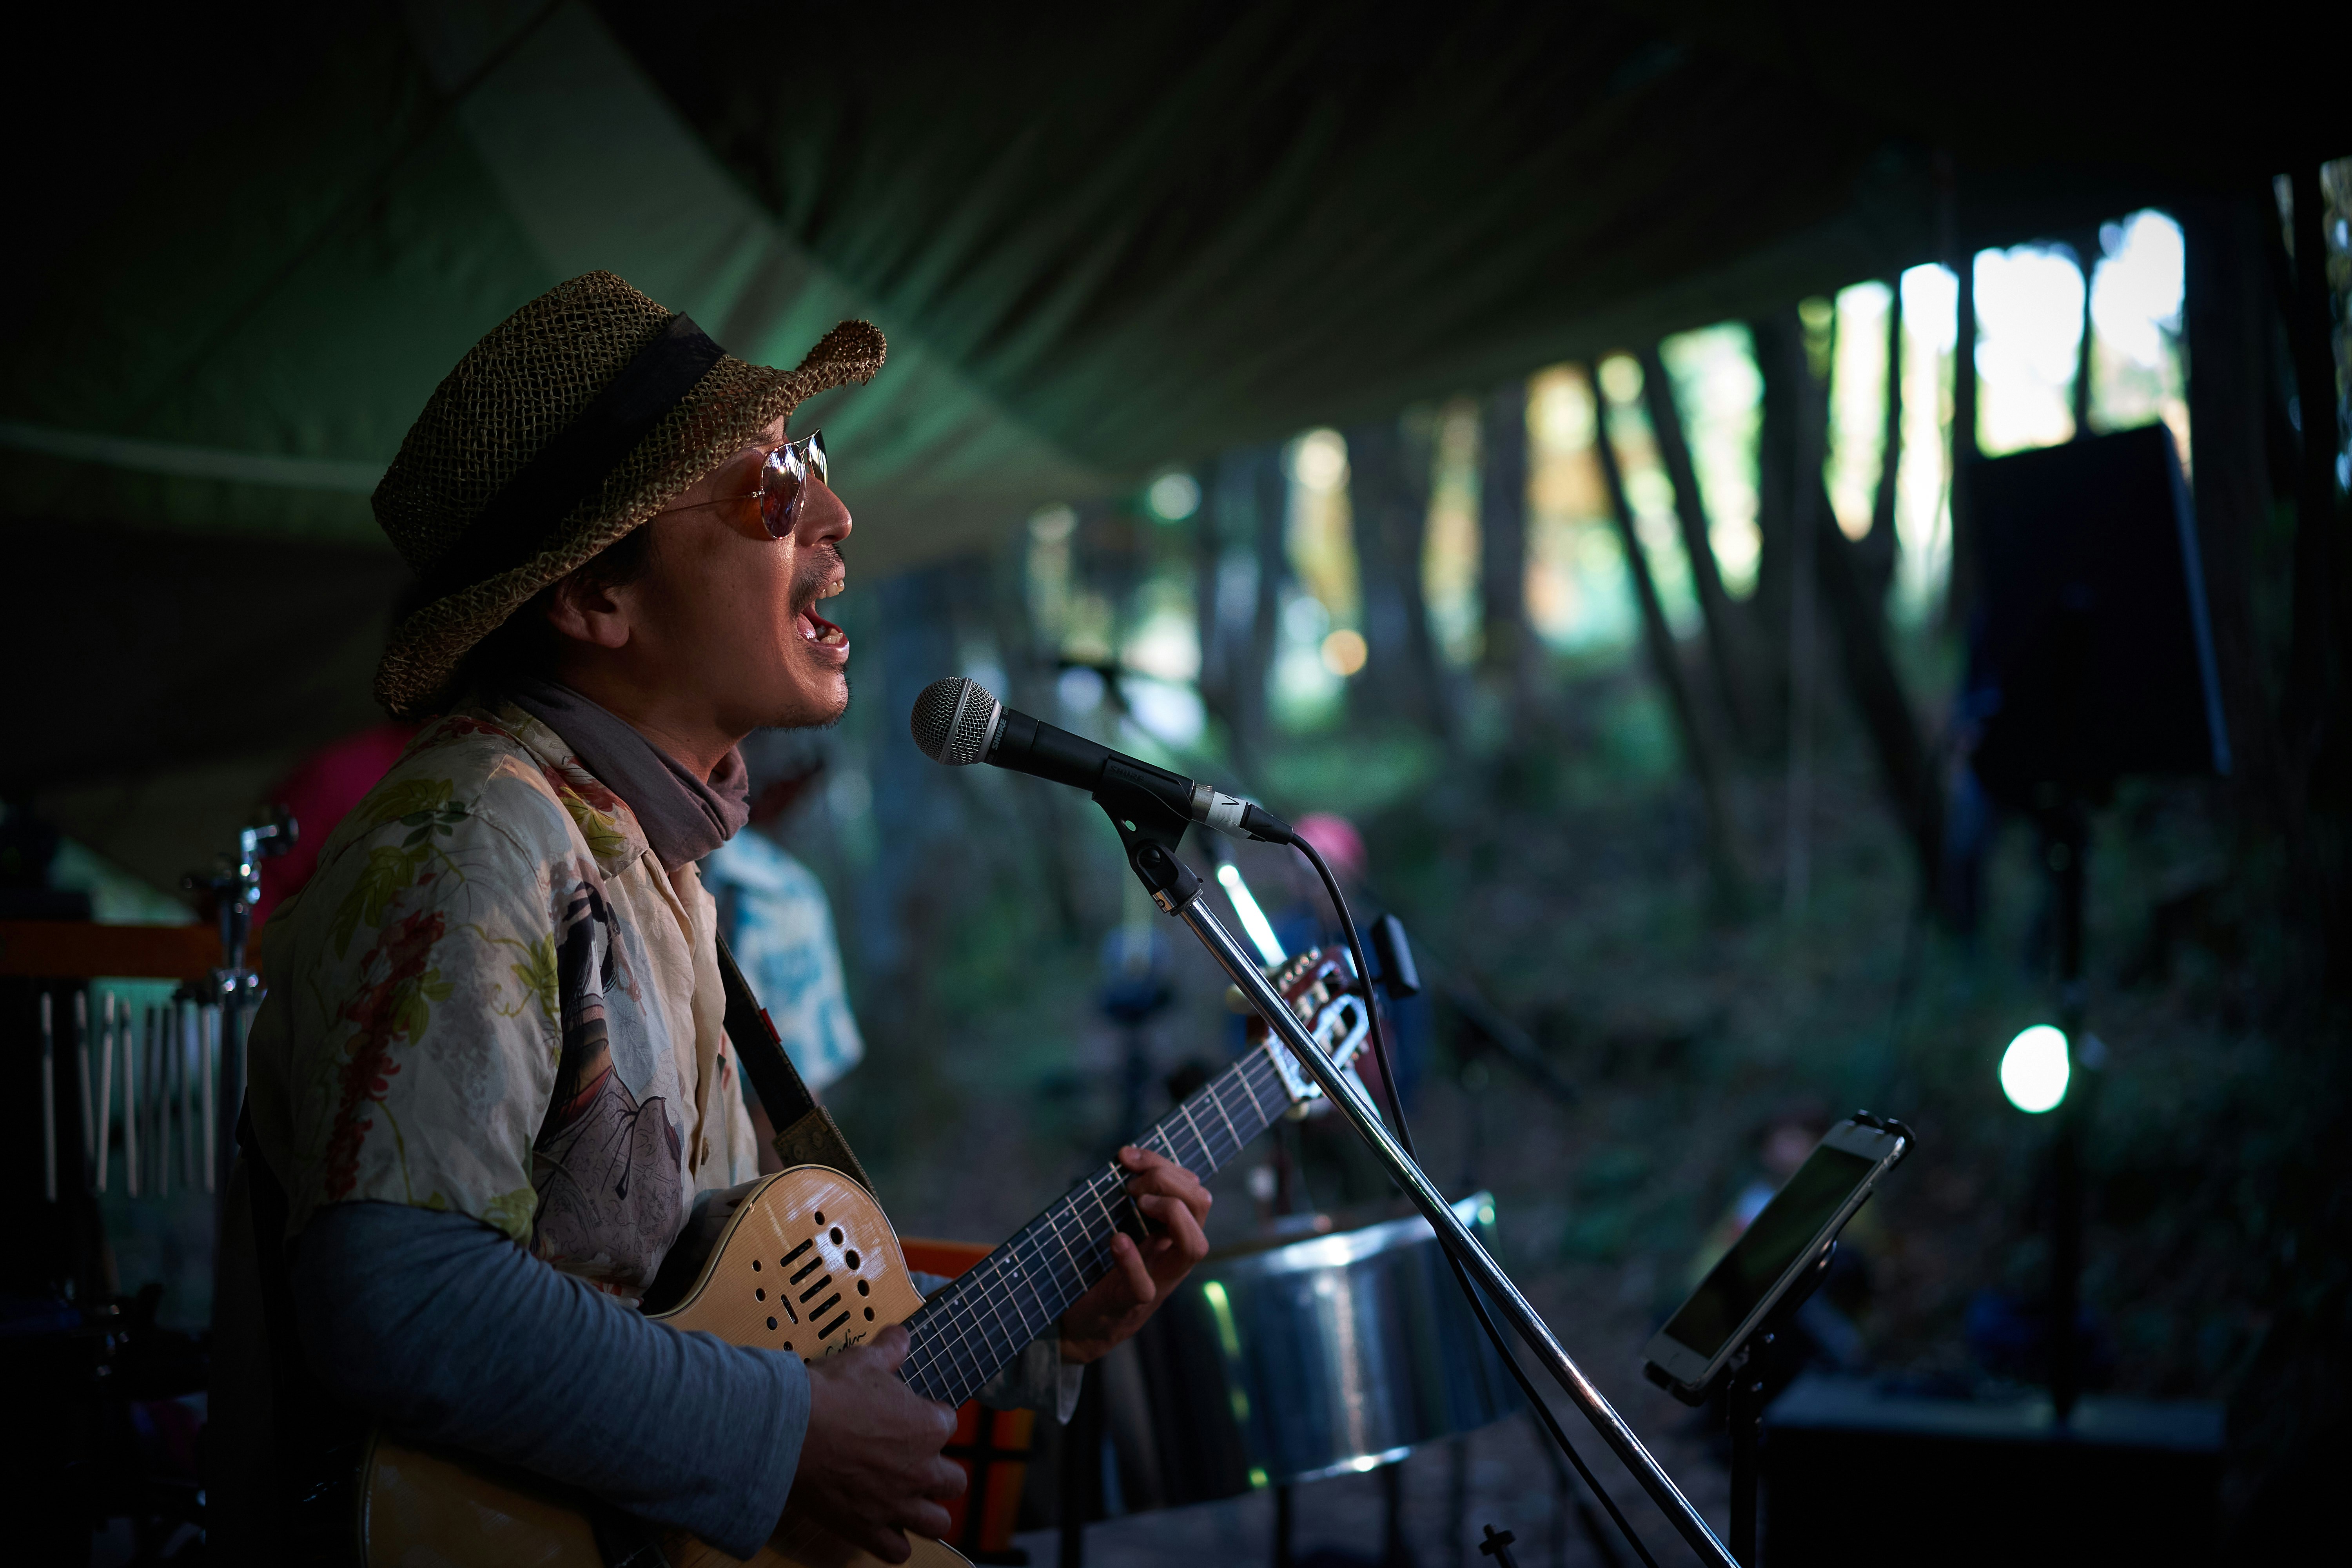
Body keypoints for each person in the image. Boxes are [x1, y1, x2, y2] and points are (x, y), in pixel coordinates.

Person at [211, 272, 1211, 1561]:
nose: (835, 516)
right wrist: (781, 1438)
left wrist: (1038, 1327)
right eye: (769, 489)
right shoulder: (475, 838)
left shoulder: (643, 856)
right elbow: (396, 1294)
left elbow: (720, 1312)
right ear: (596, 599)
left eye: (811, 462)